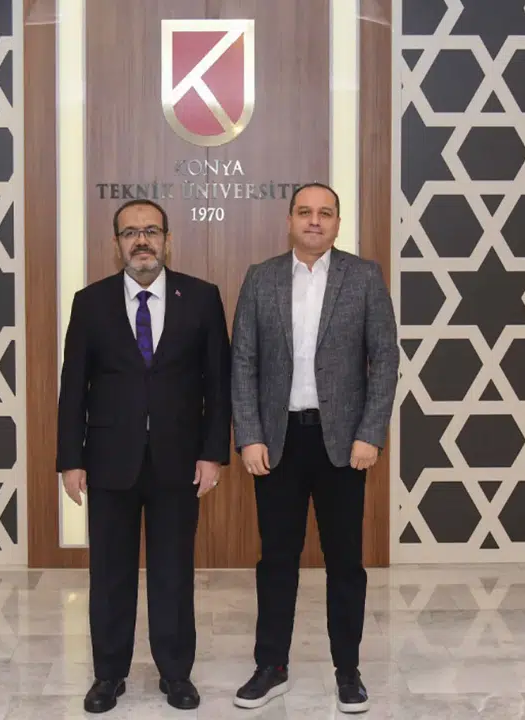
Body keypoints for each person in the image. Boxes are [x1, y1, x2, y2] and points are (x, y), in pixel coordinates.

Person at [56, 198, 231, 713]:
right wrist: (70, 459)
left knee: (173, 571)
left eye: (151, 231)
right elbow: (73, 388)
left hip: (180, 460)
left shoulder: (201, 298)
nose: (142, 241)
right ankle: (108, 675)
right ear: (117, 244)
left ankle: (175, 673)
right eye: (131, 232)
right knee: (110, 573)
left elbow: (218, 386)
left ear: (167, 240)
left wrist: (213, 453)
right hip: (109, 460)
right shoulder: (90, 302)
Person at [229, 182, 399, 714]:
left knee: (345, 561)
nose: (314, 221)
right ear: (289, 220)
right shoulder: (261, 278)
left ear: (337, 223)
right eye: (305, 212)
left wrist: (371, 433)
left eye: (325, 213)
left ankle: (347, 671)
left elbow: (385, 359)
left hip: (343, 443)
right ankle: (271, 666)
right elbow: (243, 362)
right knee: (276, 560)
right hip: (277, 441)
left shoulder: (364, 276)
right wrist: (249, 434)